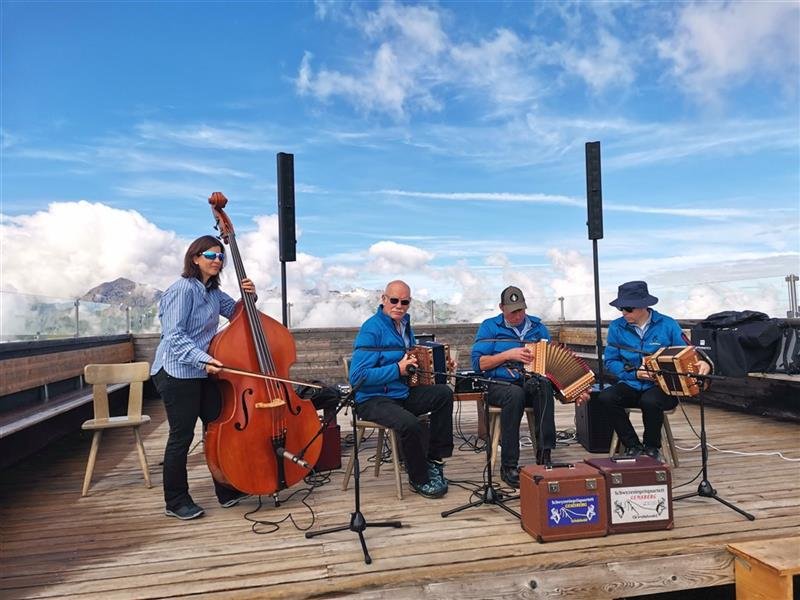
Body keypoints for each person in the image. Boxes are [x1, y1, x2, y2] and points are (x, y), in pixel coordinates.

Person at [151, 235, 256, 520]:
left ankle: (226, 488)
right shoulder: (183, 290)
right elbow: (174, 337)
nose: (217, 260)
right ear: (195, 258)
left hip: (202, 370)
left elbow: (237, 315)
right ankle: (175, 501)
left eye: (221, 257)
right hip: (176, 371)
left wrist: (249, 297)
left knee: (216, 430)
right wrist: (205, 359)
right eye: (211, 255)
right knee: (181, 436)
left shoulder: (212, 293)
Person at [349, 280, 454, 499]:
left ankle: (434, 459)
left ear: (409, 302)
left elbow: (410, 364)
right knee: (410, 424)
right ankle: (420, 479)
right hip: (372, 399)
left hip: (400, 393)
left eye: (404, 302)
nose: (399, 306)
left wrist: (439, 366)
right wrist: (397, 369)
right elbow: (357, 377)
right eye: (394, 300)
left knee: (443, 394)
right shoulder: (371, 328)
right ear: (383, 299)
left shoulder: (405, 326)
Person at [595, 280, 711, 460]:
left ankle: (652, 447)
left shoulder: (668, 324)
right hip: (631, 382)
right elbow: (610, 360)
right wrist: (633, 373)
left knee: (650, 402)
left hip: (662, 387)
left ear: (643, 306)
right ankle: (632, 445)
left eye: (628, 308)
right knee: (605, 397)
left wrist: (704, 363)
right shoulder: (616, 327)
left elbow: (688, 352)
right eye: (621, 309)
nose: (624, 313)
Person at [471, 286, 558, 488]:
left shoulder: (538, 326)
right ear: (501, 307)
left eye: (521, 310)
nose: (518, 315)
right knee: (514, 395)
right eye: (513, 311)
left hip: (529, 380)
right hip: (499, 385)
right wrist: (508, 355)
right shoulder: (489, 326)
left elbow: (551, 360)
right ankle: (509, 464)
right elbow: (479, 364)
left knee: (543, 386)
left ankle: (545, 456)